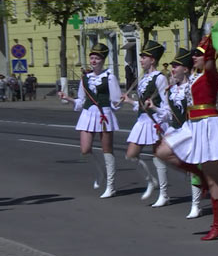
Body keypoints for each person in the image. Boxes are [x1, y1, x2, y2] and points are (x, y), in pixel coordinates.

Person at [155, 36, 218, 240]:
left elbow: (209, 64)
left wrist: (209, 47)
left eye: (198, 55)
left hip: (209, 125)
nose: (194, 57)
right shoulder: (193, 77)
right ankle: (197, 175)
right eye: (194, 55)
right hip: (192, 125)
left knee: (214, 180)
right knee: (162, 151)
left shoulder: (210, 75)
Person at [57, 44, 121, 198]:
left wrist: (120, 102)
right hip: (87, 114)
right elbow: (81, 100)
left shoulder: (110, 77)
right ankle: (100, 174)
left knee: (107, 150)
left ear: (102, 60)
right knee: (85, 149)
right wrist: (68, 98)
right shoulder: (85, 78)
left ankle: (111, 186)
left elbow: (116, 100)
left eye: (97, 58)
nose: (93, 61)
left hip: (104, 114)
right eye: (92, 58)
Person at [153, 48, 204, 219]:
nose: (173, 69)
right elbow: (168, 113)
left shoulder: (193, 87)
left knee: (195, 164)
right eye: (173, 66)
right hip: (176, 129)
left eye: (177, 66)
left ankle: (196, 205)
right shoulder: (170, 90)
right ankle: (164, 193)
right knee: (159, 154)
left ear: (186, 69)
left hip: (192, 129)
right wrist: (154, 109)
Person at [122, 40, 171, 207]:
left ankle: (164, 194)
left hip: (155, 121)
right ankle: (151, 181)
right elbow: (143, 105)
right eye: (141, 56)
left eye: (144, 57)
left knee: (158, 158)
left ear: (153, 59)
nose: (141, 59)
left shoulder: (160, 78)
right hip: (142, 120)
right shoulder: (143, 78)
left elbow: (166, 106)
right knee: (131, 155)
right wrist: (130, 101)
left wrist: (155, 109)